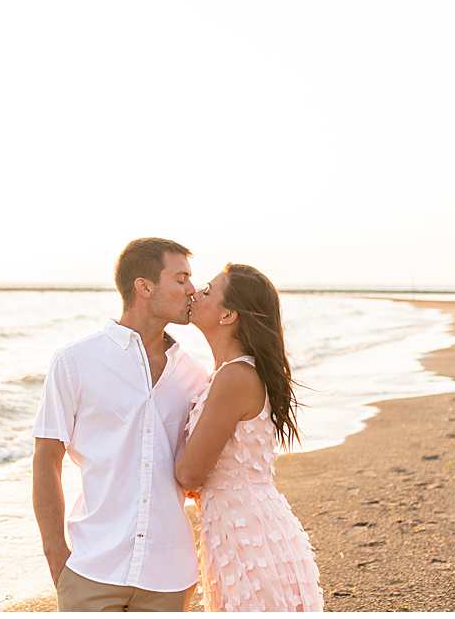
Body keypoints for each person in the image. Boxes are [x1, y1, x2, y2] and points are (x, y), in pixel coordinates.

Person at [33, 237, 208, 612]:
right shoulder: (75, 361)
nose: (192, 289)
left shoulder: (193, 374)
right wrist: (56, 556)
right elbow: (46, 459)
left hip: (170, 576)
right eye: (181, 279)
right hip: (92, 570)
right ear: (144, 287)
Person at [177, 264, 324, 613]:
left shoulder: (234, 378)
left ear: (228, 315)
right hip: (248, 525)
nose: (195, 292)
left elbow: (190, 474)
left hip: (246, 535)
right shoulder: (232, 373)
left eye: (207, 291)